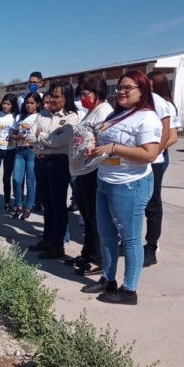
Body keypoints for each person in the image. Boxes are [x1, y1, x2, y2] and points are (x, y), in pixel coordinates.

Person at [82, 70, 161, 305]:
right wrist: (96, 149)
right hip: (105, 181)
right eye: (120, 88)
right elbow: (106, 143)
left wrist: (114, 148)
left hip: (130, 184)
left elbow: (150, 154)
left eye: (128, 88)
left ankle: (129, 290)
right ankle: (108, 279)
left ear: (142, 91)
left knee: (130, 238)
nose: (122, 92)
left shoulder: (147, 118)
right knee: (106, 234)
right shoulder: (117, 115)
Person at [69, 74, 114, 275]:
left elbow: (104, 140)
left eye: (85, 94)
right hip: (83, 169)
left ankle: (98, 258)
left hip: (94, 169)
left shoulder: (104, 112)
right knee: (87, 215)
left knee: (95, 216)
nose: (82, 98)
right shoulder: (91, 111)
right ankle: (87, 253)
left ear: (97, 93)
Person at [30, 81, 79, 259]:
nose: (51, 99)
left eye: (56, 96)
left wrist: (40, 136)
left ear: (66, 98)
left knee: (58, 204)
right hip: (40, 161)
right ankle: (47, 238)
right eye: (51, 95)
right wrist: (47, 138)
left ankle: (58, 245)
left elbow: (60, 141)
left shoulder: (72, 117)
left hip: (58, 164)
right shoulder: (42, 114)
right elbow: (30, 136)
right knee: (47, 203)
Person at [144, 69, 181, 266]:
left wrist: (152, 152)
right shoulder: (142, 103)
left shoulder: (165, 106)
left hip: (155, 159)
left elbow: (172, 137)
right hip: (140, 160)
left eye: (150, 86)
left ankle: (152, 245)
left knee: (153, 202)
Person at [12, 91, 41, 220]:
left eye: (32, 103)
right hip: (20, 150)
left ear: (37, 104)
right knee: (16, 179)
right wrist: (18, 137)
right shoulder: (19, 117)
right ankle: (18, 205)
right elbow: (13, 134)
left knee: (30, 181)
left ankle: (28, 207)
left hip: (32, 151)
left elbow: (41, 134)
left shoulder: (40, 117)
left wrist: (30, 128)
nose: (29, 105)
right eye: (27, 103)